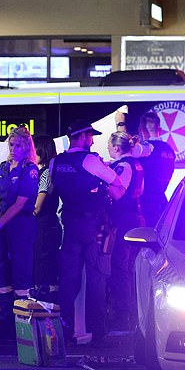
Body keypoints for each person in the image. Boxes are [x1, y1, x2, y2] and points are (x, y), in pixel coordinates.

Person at [50, 119, 124, 348]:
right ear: (82, 137)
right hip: (94, 229)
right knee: (96, 279)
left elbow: (51, 190)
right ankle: (98, 333)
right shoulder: (90, 160)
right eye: (91, 136)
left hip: (70, 227)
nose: (92, 141)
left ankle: (66, 329)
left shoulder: (55, 163)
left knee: (68, 282)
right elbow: (118, 186)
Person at [0, 126, 39, 342]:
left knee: (21, 276)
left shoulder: (29, 170)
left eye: (17, 145)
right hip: (3, 228)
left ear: (26, 147)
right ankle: (4, 326)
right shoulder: (3, 168)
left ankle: (22, 328)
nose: (13, 149)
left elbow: (19, 204)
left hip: (20, 227)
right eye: (11, 145)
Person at [106, 131, 145, 331]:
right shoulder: (136, 164)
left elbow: (117, 193)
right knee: (129, 267)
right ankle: (131, 314)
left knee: (120, 267)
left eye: (109, 145)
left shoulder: (123, 166)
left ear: (117, 148)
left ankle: (123, 315)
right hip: (135, 219)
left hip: (123, 221)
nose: (107, 148)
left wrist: (103, 177)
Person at [32, 135, 62, 303]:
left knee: (44, 267)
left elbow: (37, 206)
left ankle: (47, 309)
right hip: (44, 227)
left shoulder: (46, 174)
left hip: (45, 227)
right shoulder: (42, 172)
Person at [136, 112, 175, 227]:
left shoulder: (145, 150)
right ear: (158, 127)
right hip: (162, 201)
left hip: (146, 202)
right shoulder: (169, 149)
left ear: (143, 129)